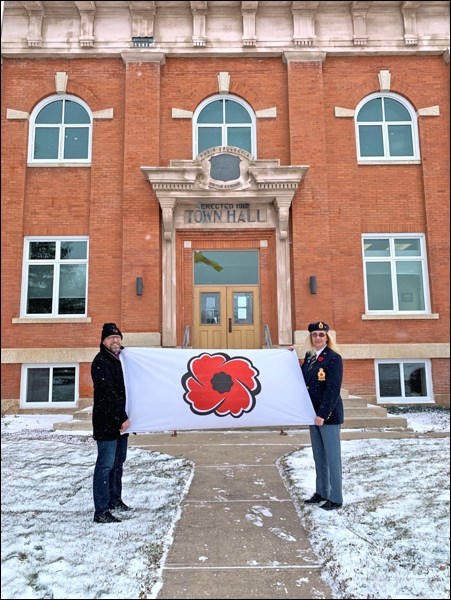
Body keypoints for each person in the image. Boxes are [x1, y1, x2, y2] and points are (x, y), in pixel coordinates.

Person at [301, 321, 344, 511]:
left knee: (332, 458)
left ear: (327, 337)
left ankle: (335, 498)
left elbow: (333, 390)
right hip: (312, 414)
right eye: (315, 335)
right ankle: (322, 492)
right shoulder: (309, 358)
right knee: (319, 457)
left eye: (321, 334)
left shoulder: (334, 358)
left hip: (328, 416)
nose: (318, 338)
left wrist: (323, 414)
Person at [91, 322, 131, 523]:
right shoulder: (101, 362)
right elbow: (108, 394)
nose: (115, 340)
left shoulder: (122, 360)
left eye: (117, 337)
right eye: (110, 338)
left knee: (118, 463)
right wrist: (121, 418)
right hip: (107, 423)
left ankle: (115, 500)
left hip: (121, 423)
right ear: (103, 341)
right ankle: (101, 511)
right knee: (105, 465)